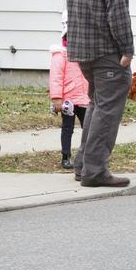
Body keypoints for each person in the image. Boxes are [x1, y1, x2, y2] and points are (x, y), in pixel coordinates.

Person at [65, 0, 134, 188]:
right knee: (107, 110)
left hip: (81, 49)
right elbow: (117, 14)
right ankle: (95, 169)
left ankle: (83, 163)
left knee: (96, 104)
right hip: (106, 49)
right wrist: (127, 50)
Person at [49, 11, 90, 170]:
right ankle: (65, 156)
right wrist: (57, 98)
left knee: (89, 128)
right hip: (68, 101)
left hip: (84, 98)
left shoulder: (85, 54)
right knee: (68, 128)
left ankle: (87, 155)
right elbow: (56, 77)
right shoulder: (60, 55)